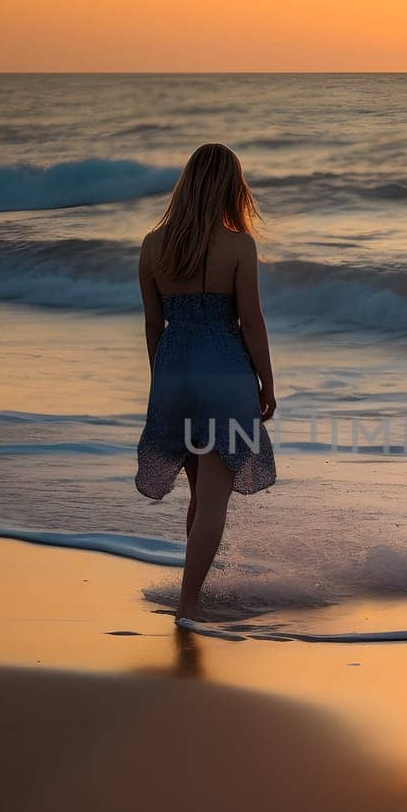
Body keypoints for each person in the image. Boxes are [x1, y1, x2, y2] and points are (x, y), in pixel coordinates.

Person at [135, 143, 277, 620]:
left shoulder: (153, 245)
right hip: (224, 372)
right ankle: (189, 605)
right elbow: (250, 322)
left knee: (199, 496)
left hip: (173, 370)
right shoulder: (239, 246)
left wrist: (164, 381)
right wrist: (267, 384)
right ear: (232, 188)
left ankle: (194, 594)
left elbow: (154, 325)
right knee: (214, 501)